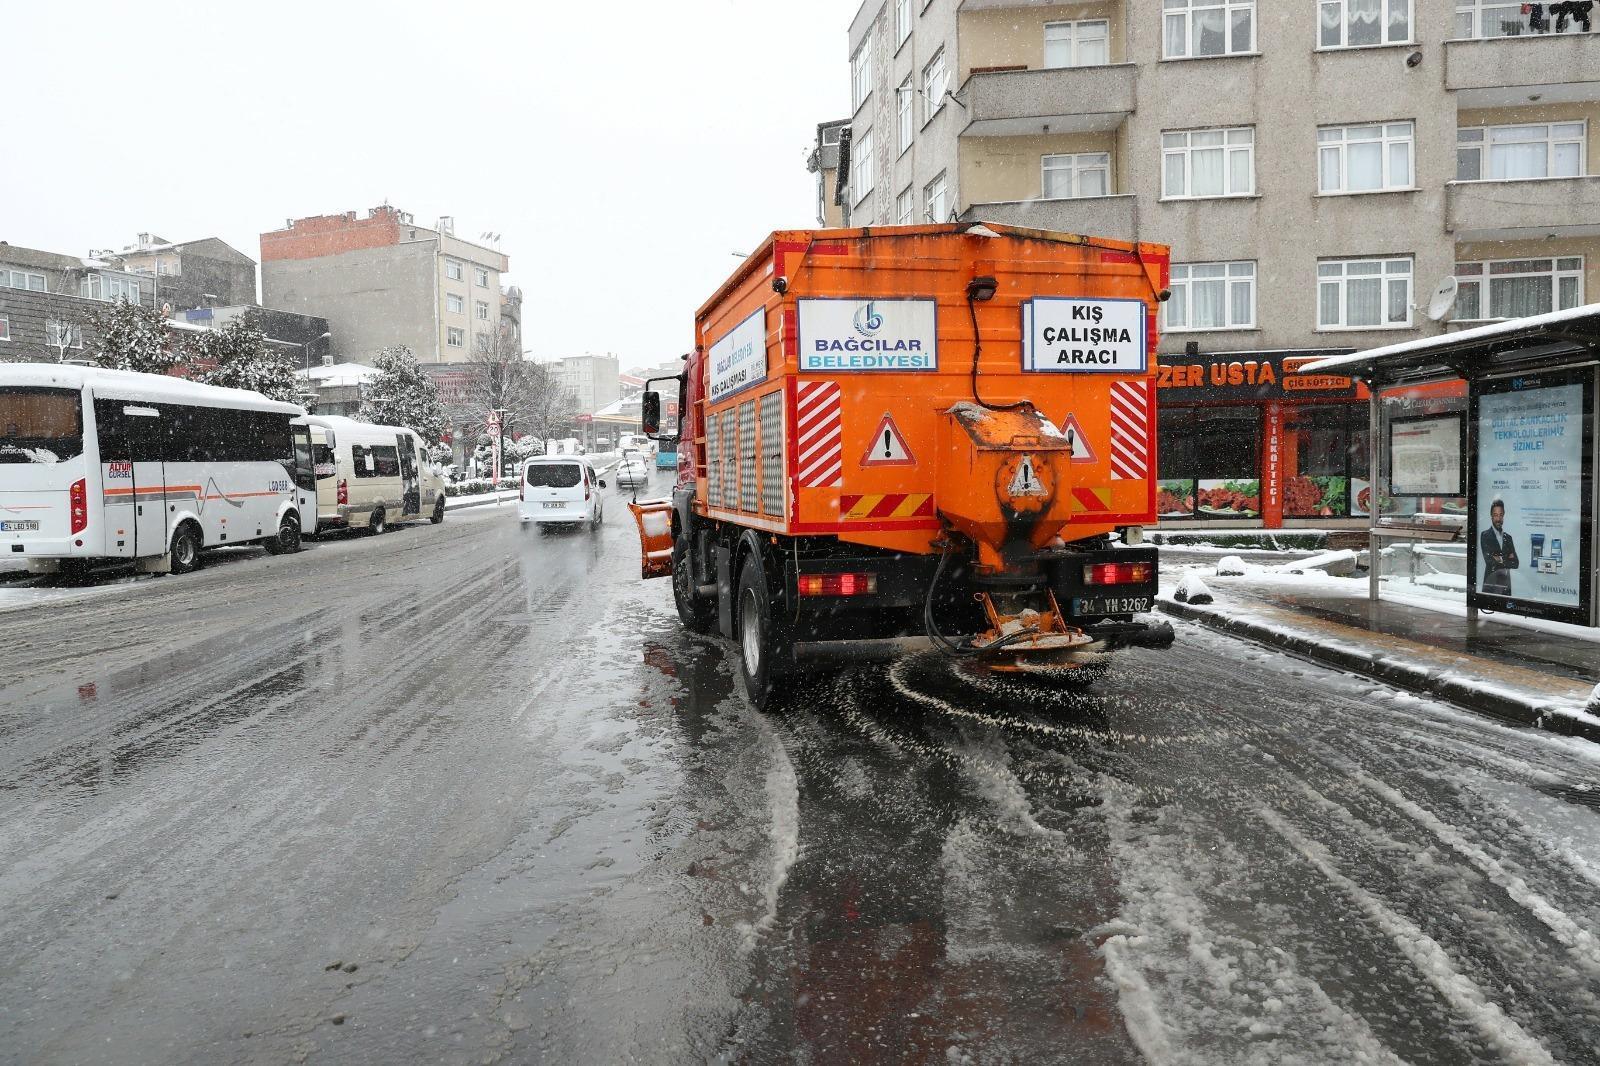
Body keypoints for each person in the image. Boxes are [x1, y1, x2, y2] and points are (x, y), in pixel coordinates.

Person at [1478, 499, 1519, 595]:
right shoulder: (1485, 535)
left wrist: (1499, 559)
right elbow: (1489, 560)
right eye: (1495, 515)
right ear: (1491, 516)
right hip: (1491, 583)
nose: (1498, 519)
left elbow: (1515, 563)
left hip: (1505, 586)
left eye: (1501, 515)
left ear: (1504, 515)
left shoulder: (1508, 538)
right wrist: (1507, 558)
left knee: (1506, 608)